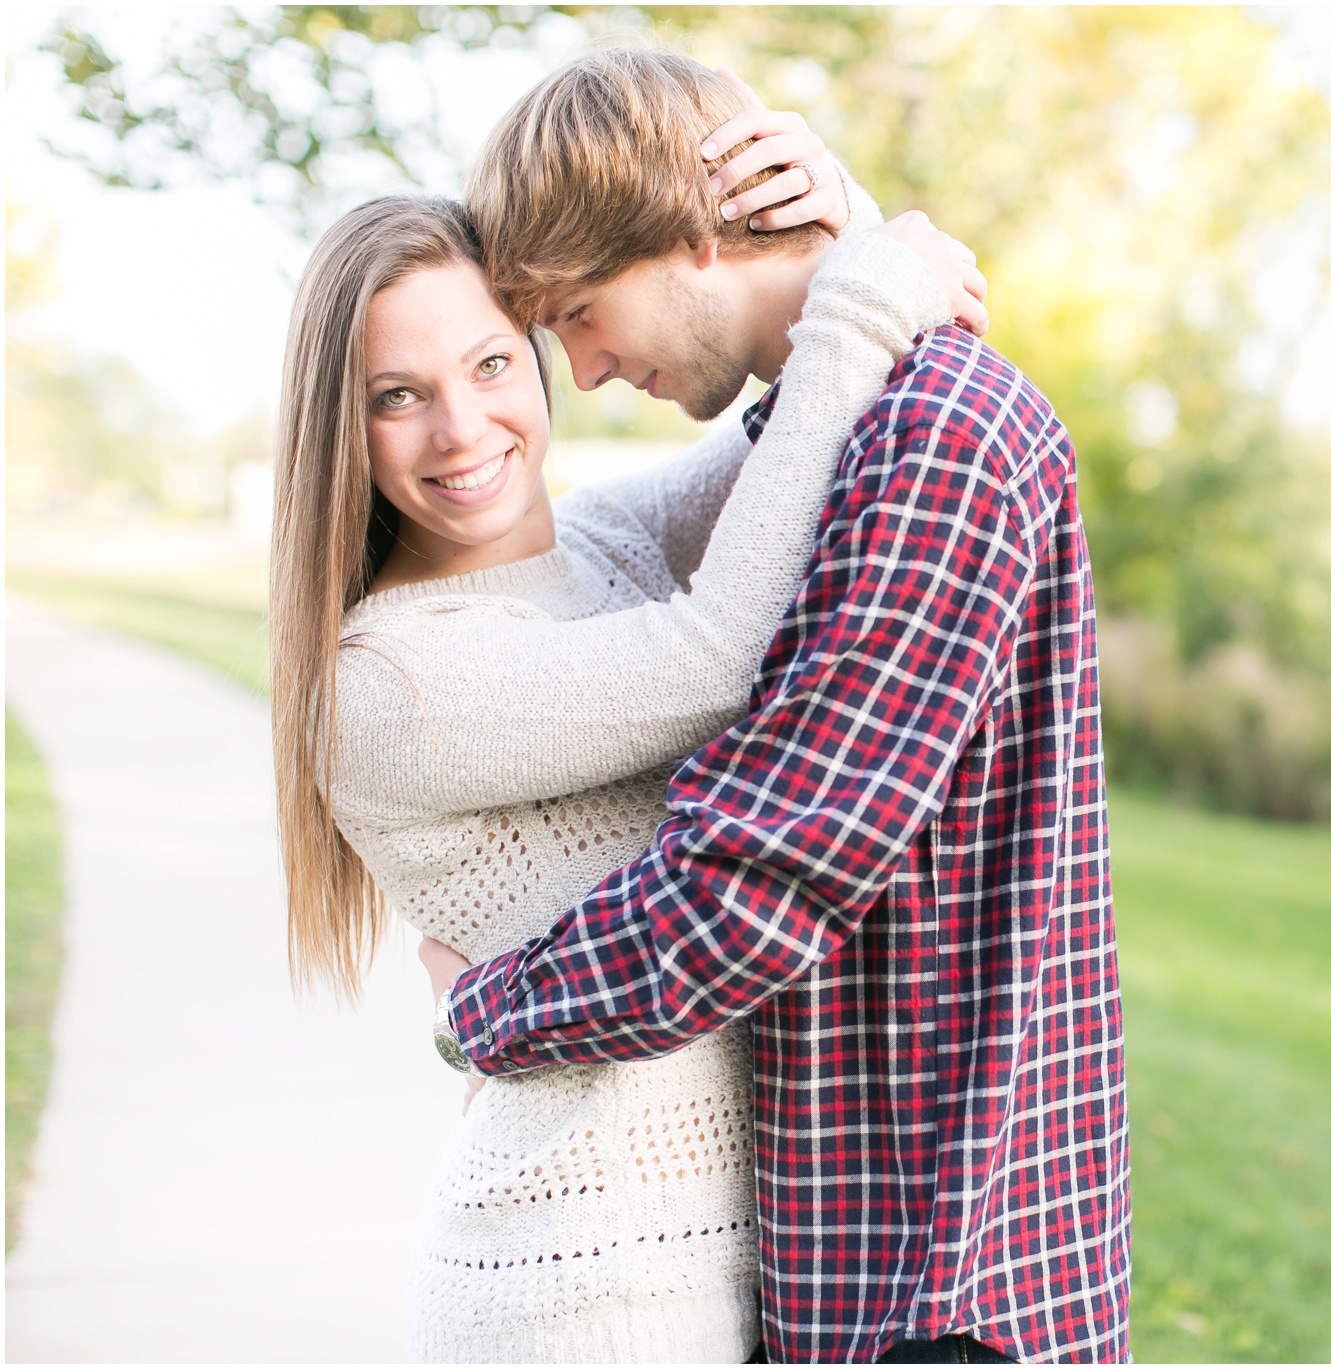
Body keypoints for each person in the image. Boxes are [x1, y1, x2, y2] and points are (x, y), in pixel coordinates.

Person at [270, 57, 988, 1361]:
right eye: (397, 395)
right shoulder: (384, 685)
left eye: (493, 360)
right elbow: (715, 651)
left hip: (748, 1277)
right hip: (579, 1298)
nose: (462, 425)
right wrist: (859, 292)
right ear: (345, 429)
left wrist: (833, 226)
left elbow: (804, 422)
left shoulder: (601, 538)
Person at [424, 45, 1130, 1365]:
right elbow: (769, 471)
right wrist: (853, 255)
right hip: (864, 1255)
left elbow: (757, 881)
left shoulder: (939, 442)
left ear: (695, 235)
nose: (578, 370)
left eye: (577, 311)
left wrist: (488, 1008)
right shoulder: (862, 430)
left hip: (938, 1275)